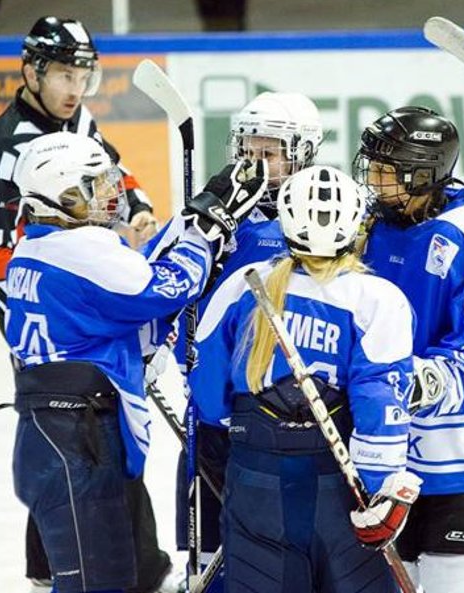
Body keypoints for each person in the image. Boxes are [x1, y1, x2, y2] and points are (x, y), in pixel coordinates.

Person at [6, 131, 266, 593]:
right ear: (63, 195)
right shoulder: (78, 250)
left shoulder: (36, 247)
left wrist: (195, 220)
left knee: (118, 576)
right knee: (99, 583)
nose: (111, 193)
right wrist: (203, 236)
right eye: (94, 184)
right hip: (77, 441)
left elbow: (129, 283)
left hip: (60, 434)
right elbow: (165, 286)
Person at [0, 16, 162, 591]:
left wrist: (139, 207)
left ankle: (92, 565)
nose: (75, 89)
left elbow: (116, 176)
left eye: (84, 75)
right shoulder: (2, 149)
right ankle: (74, 568)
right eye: (63, 75)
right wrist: (41, 329)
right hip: (49, 330)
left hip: (82, 313)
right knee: (71, 445)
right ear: (31, 72)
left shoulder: (80, 121)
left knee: (99, 443)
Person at [188, 165, 420, 592]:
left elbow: (206, 392)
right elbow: (379, 400)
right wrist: (379, 490)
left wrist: (240, 429)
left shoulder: (243, 284)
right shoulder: (377, 299)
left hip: (254, 478)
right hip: (340, 489)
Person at [158, 91, 323, 590]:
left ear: (303, 155)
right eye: (248, 151)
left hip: (297, 418)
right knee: (210, 556)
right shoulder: (215, 219)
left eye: (270, 153)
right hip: (214, 410)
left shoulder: (325, 221)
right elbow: (158, 282)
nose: (255, 165)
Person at [353, 106, 464, 593]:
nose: (375, 181)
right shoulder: (369, 226)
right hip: (388, 431)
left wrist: (414, 380)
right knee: (398, 569)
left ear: (422, 174)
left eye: (387, 171)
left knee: (451, 567)